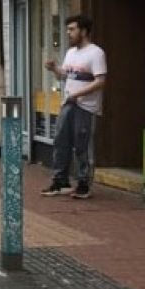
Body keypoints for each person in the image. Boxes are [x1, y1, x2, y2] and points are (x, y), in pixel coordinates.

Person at [41, 15, 107, 199]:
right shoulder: (71, 53)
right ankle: (60, 181)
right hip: (68, 103)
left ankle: (84, 183)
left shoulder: (96, 53)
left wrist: (78, 95)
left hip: (86, 106)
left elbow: (100, 81)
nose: (68, 33)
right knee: (61, 140)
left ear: (84, 31)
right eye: (68, 29)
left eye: (72, 29)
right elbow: (67, 75)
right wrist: (54, 68)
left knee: (82, 145)